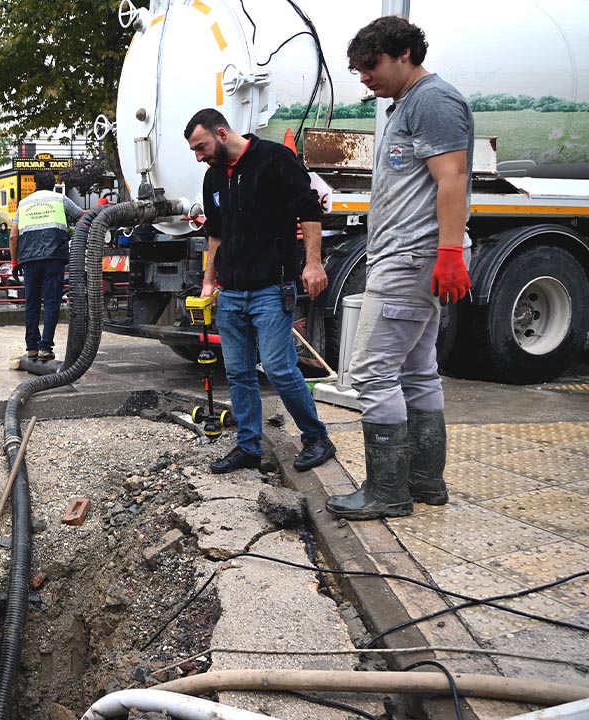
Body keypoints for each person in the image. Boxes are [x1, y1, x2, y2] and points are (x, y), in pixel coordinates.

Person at [327, 17, 473, 520]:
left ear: (406, 53)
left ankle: (388, 491)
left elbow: (452, 176)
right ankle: (424, 481)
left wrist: (450, 253)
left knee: (370, 372)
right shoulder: (406, 105)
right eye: (358, 69)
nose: (363, 77)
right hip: (412, 255)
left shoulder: (432, 100)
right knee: (415, 370)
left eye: (371, 65)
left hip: (411, 257)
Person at [184, 108, 337, 475]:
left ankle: (317, 437)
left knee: (279, 368)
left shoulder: (274, 159)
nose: (199, 156)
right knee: (238, 372)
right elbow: (215, 233)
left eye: (201, 146)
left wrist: (313, 264)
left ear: (222, 133)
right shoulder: (214, 178)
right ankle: (249, 446)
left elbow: (309, 212)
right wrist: (209, 280)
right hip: (231, 292)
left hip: (271, 287)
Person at [9, 171, 83, 362]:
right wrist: (103, 210)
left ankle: (31, 348)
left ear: (34, 184)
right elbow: (82, 216)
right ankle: (45, 348)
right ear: (53, 184)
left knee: (31, 303)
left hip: (29, 260)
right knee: (51, 303)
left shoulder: (23, 204)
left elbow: (13, 236)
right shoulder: (60, 199)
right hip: (54, 258)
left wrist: (15, 262)